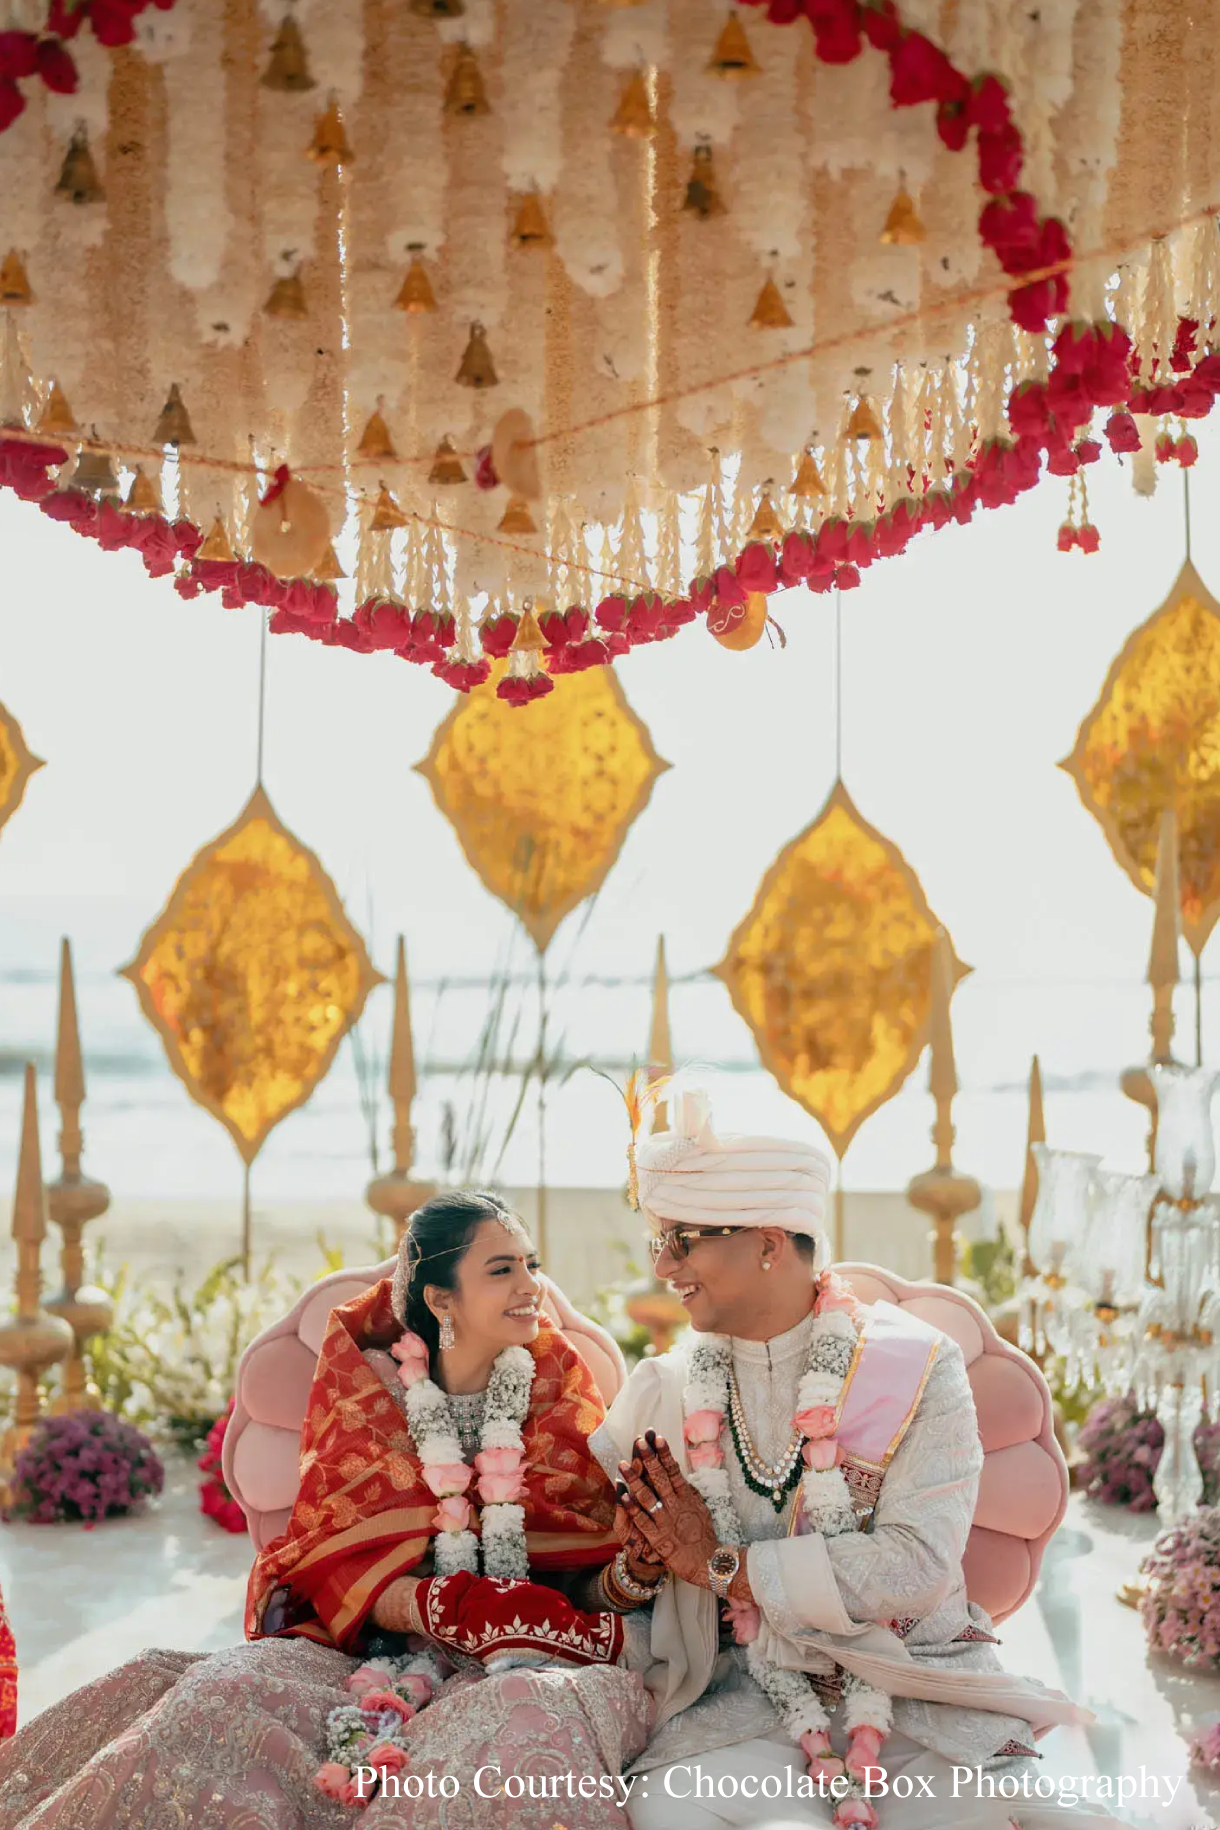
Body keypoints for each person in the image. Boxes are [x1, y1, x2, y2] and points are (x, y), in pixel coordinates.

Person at [0, 1190, 655, 1829]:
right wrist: (447, 1608)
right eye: (502, 1269)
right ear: (440, 1298)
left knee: (526, 1729)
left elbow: (586, 1576)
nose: (531, 1286)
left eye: (533, 1264)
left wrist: (635, 1575)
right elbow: (329, 1560)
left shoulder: (559, 1386)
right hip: (365, 1650)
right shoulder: (368, 1387)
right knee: (219, 1698)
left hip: (531, 1653)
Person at [593, 1091, 1122, 1830]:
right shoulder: (665, 1394)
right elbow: (607, 1590)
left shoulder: (915, 1369)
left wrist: (720, 1565)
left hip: (917, 1697)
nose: (665, 1265)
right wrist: (638, 1573)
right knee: (665, 1811)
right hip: (744, 1707)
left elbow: (914, 1566)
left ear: (769, 1243)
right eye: (659, 1241)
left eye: (683, 1239)